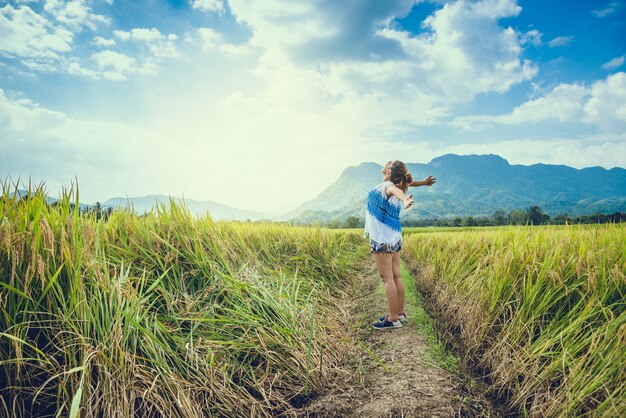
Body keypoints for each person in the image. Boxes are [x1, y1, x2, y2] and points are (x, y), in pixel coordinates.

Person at [364, 160, 436, 330]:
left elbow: (395, 190)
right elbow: (409, 183)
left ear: (388, 171)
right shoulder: (401, 185)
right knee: (396, 276)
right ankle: (399, 312)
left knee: (387, 278)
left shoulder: (388, 186)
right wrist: (424, 183)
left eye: (387, 163)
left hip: (382, 239)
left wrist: (405, 200)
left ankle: (393, 318)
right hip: (394, 237)